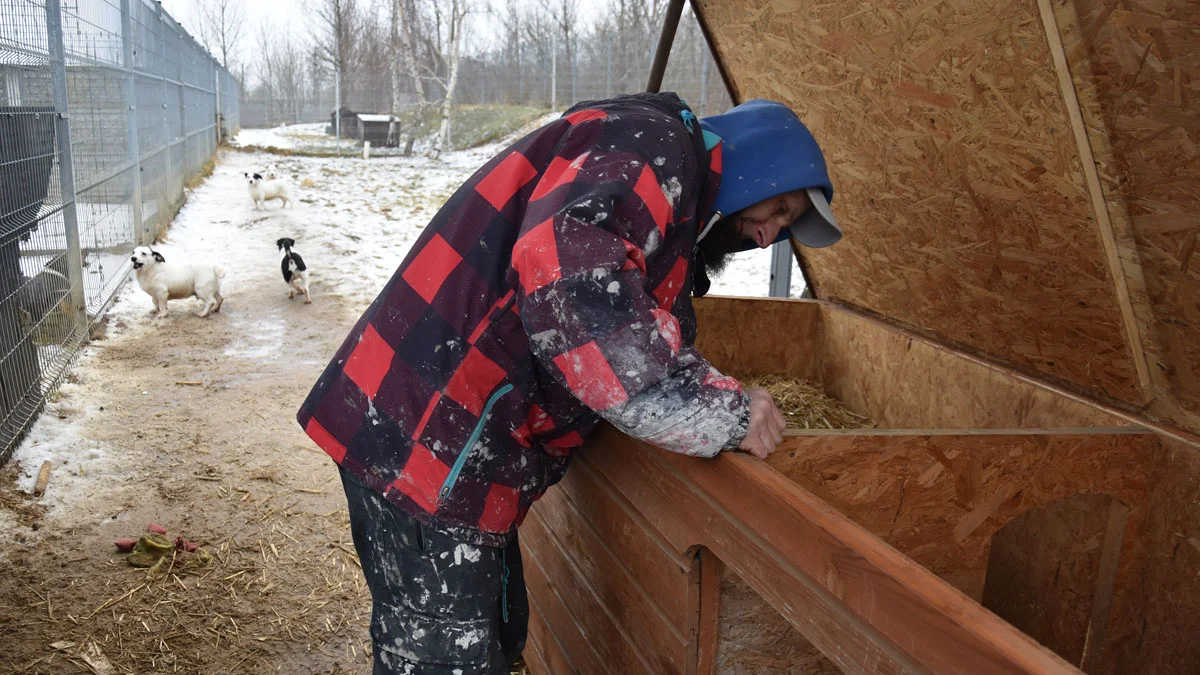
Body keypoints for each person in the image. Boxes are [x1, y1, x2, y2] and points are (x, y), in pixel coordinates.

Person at [296, 92, 843, 674]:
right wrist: (724, 412)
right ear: (755, 162)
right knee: (441, 660)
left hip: (461, 446)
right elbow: (572, 291)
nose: (767, 238)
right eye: (778, 209)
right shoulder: (651, 151)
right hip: (425, 437)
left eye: (783, 228)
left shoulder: (660, 187)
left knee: (498, 640)